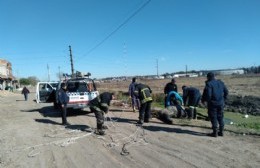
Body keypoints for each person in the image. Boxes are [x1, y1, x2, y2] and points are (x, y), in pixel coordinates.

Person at [202, 72, 228, 137]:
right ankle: (221, 131)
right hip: (221, 103)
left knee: (213, 117)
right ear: (214, 76)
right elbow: (226, 91)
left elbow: (208, 94)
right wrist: (224, 99)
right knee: (220, 117)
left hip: (212, 104)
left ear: (208, 77)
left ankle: (215, 132)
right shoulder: (221, 82)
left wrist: (208, 101)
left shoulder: (209, 84)